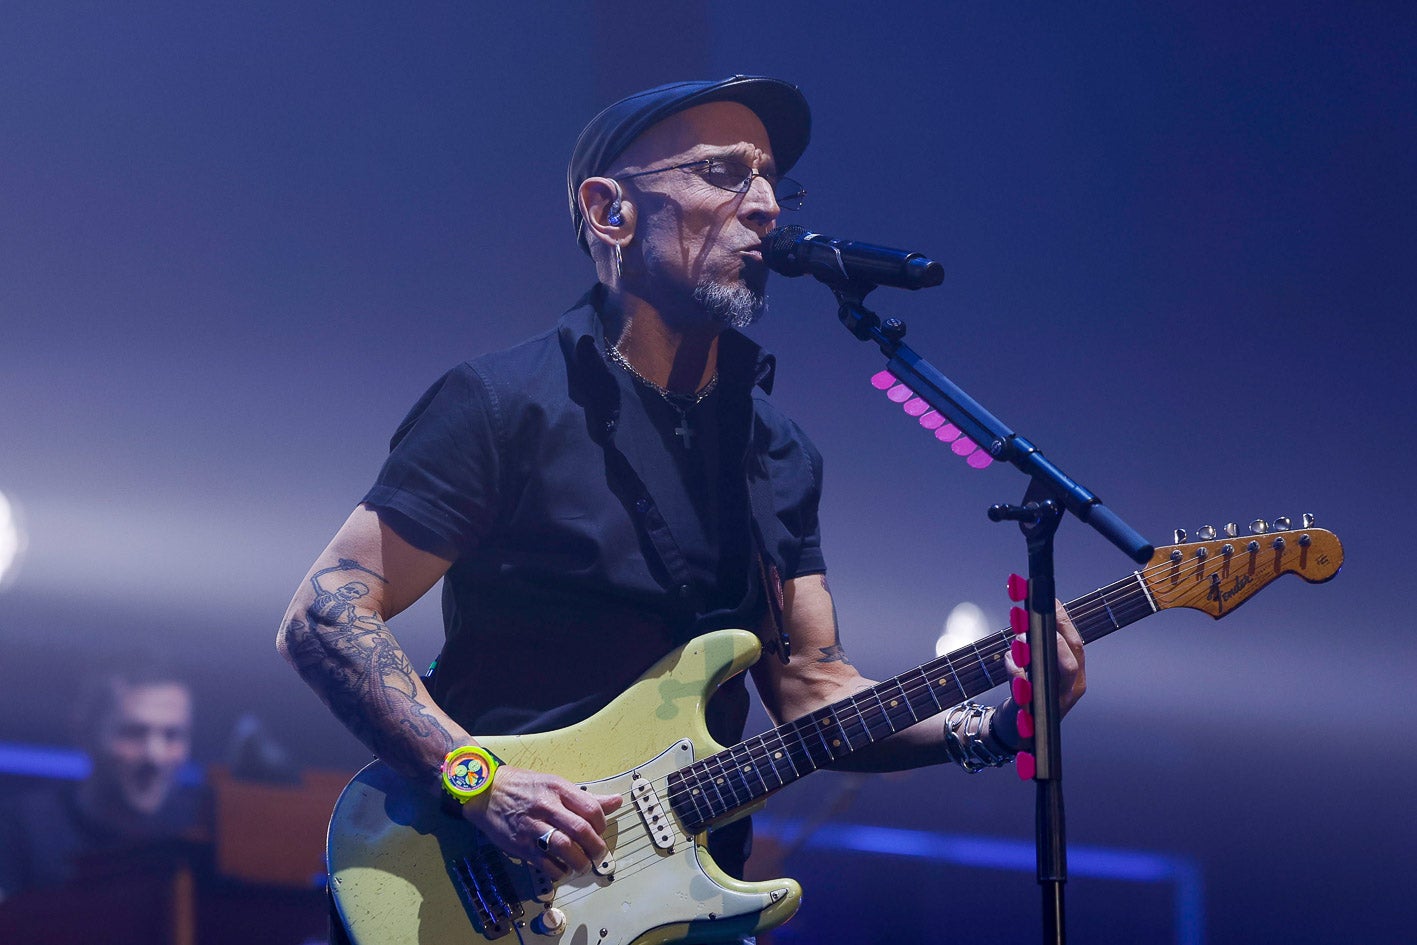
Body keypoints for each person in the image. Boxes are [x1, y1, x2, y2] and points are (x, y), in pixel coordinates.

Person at [277, 76, 1086, 937]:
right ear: (609, 209)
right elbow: (326, 614)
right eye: (722, 172)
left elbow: (812, 688)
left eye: (771, 177)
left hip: (676, 908)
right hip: (481, 885)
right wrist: (479, 781)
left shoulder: (774, 452)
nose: (766, 206)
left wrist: (989, 725)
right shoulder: (502, 405)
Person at [0, 659, 203, 901]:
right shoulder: (20, 830)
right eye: (134, 732)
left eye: (172, 735)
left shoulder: (201, 834)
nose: (155, 756)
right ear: (84, 733)